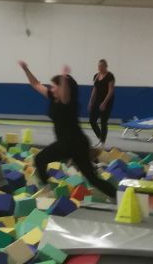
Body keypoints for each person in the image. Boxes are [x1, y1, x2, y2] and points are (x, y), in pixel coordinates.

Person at [19, 59, 117, 200]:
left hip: (74, 143)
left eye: (55, 87)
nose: (52, 89)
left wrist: (64, 77)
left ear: (63, 89)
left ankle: (118, 196)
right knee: (40, 160)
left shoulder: (69, 103)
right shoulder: (53, 96)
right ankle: (47, 188)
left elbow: (65, 97)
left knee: (91, 178)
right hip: (69, 143)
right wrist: (26, 69)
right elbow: (35, 84)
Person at [88, 59, 116, 147]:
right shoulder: (96, 76)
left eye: (101, 66)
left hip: (107, 101)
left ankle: (102, 142)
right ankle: (101, 138)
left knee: (103, 121)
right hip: (97, 100)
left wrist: (104, 103)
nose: (99, 68)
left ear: (105, 66)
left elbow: (110, 91)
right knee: (92, 120)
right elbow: (95, 89)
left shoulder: (110, 76)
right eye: (99, 66)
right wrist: (91, 101)